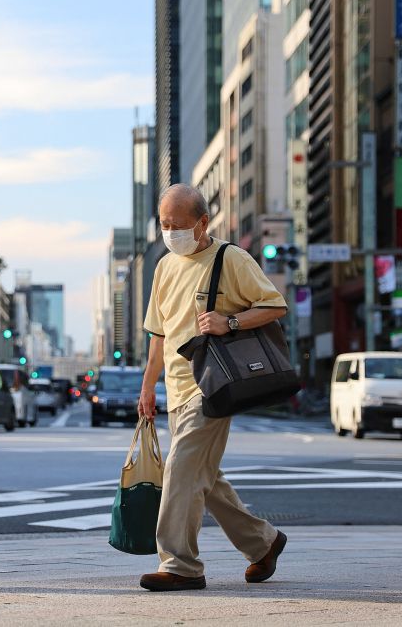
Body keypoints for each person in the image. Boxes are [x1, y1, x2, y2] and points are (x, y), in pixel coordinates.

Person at [137, 184, 289, 593]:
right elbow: (158, 334)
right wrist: (148, 387)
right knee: (203, 476)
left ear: (203, 222)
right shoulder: (165, 266)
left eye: (179, 225)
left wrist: (231, 322)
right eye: (165, 225)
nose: (171, 232)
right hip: (176, 391)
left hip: (214, 387)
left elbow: (275, 305)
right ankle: (264, 543)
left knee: (181, 472)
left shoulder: (231, 258)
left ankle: (180, 565)